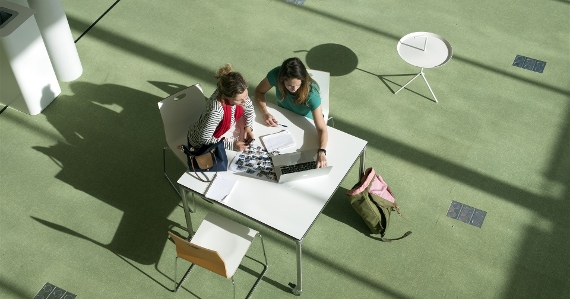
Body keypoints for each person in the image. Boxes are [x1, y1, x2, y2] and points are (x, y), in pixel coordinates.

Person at [255, 57, 328, 168]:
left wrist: (322, 151)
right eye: (289, 85)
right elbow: (259, 91)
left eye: (298, 85)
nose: (294, 89)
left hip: (305, 124)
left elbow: (322, 128)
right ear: (281, 80)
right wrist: (265, 112)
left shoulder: (312, 94)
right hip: (283, 120)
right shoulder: (275, 74)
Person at [187, 64, 255, 152]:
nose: (245, 101)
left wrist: (248, 127)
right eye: (240, 100)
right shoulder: (216, 112)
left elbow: (249, 109)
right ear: (227, 97)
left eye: (246, 95)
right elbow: (204, 140)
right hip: (200, 144)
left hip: (222, 133)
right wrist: (232, 145)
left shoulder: (239, 92)